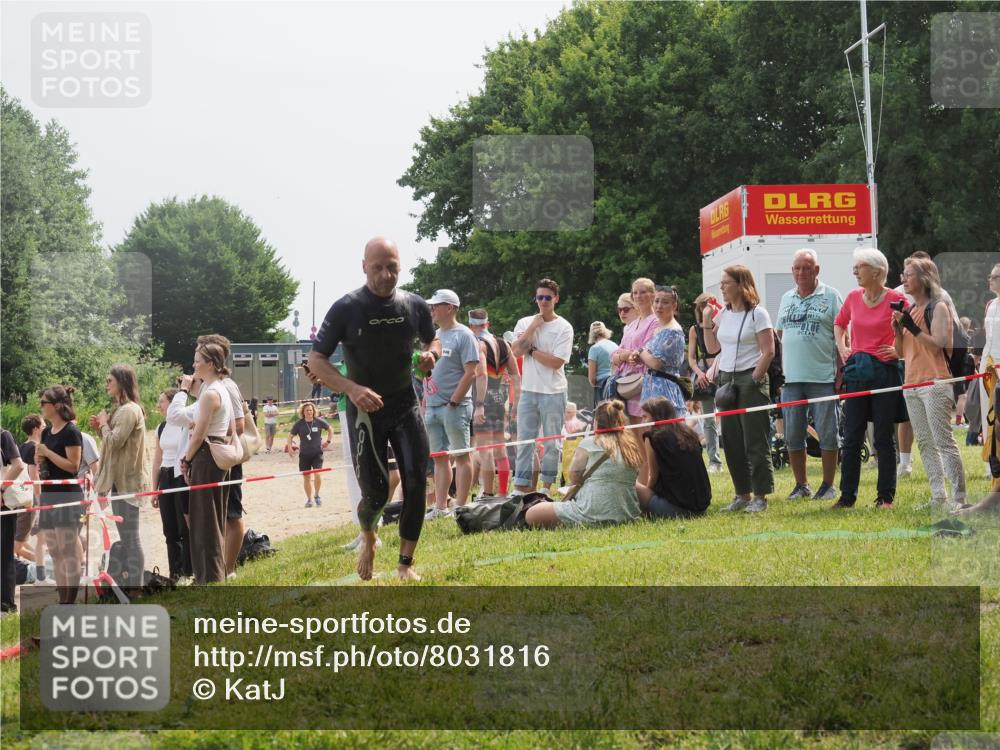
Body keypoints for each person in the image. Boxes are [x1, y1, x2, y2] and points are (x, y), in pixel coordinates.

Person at [307, 236, 437, 581]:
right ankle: (369, 535)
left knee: (415, 481)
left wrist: (430, 355)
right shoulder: (347, 308)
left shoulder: (414, 305)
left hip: (404, 404)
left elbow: (431, 338)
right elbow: (316, 360)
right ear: (364, 266)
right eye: (377, 267)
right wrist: (351, 388)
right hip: (365, 412)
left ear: (400, 266)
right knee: (375, 492)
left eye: (391, 267)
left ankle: (405, 564)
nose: (385, 275)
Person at [833, 247, 908, 509]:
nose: (855, 271)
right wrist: (842, 347)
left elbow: (911, 333)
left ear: (877, 272)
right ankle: (847, 497)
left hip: (885, 372)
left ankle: (885, 497)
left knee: (883, 437)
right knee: (852, 435)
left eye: (860, 266)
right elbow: (839, 323)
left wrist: (898, 351)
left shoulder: (897, 298)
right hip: (857, 371)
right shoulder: (853, 297)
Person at [893, 256, 966, 509]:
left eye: (908, 274)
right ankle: (938, 496)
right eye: (903, 274)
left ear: (924, 279)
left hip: (935, 382)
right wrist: (897, 328)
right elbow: (900, 353)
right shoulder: (911, 311)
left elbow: (937, 345)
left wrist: (912, 328)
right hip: (911, 383)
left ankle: (959, 498)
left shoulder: (939, 307)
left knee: (944, 441)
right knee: (924, 443)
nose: (903, 279)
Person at [703, 265, 775, 513]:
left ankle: (760, 496)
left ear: (741, 284)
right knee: (731, 440)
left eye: (726, 282)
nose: (721, 287)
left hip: (750, 379)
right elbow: (713, 349)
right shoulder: (724, 314)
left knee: (755, 440)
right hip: (727, 381)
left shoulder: (759, 314)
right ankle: (741, 494)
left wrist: (756, 376)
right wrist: (705, 322)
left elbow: (769, 350)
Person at [775, 249, 844, 501]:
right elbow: (781, 333)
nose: (801, 273)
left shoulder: (831, 296)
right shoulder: (786, 298)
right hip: (791, 379)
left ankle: (828, 485)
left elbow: (842, 335)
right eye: (796, 268)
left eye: (806, 268)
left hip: (823, 378)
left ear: (817, 270)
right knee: (792, 434)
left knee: (828, 432)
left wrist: (840, 370)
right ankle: (801, 485)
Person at [524, 400, 642, 528]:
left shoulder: (589, 442)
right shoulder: (631, 446)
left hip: (589, 511)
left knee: (532, 513)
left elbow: (573, 477)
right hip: (627, 514)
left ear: (596, 422)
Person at [422, 289, 485, 519]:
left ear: (450, 308)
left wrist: (454, 401)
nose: (432, 310)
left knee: (461, 455)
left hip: (455, 406)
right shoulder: (434, 335)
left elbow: (471, 372)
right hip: (432, 406)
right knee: (439, 457)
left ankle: (460, 506)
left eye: (436, 306)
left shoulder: (465, 335)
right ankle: (440, 507)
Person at [510, 278, 575, 495]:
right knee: (524, 442)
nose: (543, 301)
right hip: (528, 391)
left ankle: (547, 487)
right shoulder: (525, 322)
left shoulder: (564, 327)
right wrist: (533, 327)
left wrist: (532, 351)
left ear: (556, 299)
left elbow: (557, 361)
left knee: (551, 443)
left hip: (554, 393)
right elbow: (515, 351)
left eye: (548, 297)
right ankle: (520, 487)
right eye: (540, 297)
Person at [90, 365, 149, 591]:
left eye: (109, 381)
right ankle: (129, 583)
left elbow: (114, 442)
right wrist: (101, 428)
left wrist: (105, 424)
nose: (106, 385)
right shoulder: (122, 409)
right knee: (126, 537)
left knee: (131, 538)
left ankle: (136, 587)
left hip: (128, 482)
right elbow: (112, 442)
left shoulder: (128, 410)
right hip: (120, 482)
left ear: (121, 383)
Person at [178, 342, 233, 584]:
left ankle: (209, 579)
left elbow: (199, 434)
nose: (193, 365)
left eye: (197, 360)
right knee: (211, 519)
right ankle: (210, 576)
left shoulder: (211, 393)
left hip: (206, 457)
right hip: (213, 456)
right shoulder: (218, 389)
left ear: (210, 363)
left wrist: (186, 458)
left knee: (205, 522)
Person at [35, 386, 83, 604]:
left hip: (67, 497)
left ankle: (69, 603)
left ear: (55, 406)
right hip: (48, 495)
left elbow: (73, 466)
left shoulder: (71, 431)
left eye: (43, 402)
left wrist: (47, 453)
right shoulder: (46, 432)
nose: (40, 406)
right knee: (55, 553)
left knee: (68, 552)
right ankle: (62, 600)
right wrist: (40, 460)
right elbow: (46, 462)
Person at [468, 309, 520, 498]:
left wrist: (479, 404)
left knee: (484, 450)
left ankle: (488, 494)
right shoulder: (504, 344)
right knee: (500, 447)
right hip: (501, 398)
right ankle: (503, 492)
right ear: (487, 324)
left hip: (484, 398)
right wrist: (516, 404)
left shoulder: (478, 343)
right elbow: (516, 375)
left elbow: (481, 374)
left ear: (471, 325)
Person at [636, 396, 711, 518]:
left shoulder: (652, 437)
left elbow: (653, 477)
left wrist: (646, 496)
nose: (642, 422)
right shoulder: (688, 432)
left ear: (657, 417)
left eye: (645, 417)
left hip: (678, 509)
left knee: (633, 487)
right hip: (701, 507)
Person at [152, 389, 192, 582]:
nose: (159, 405)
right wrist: (154, 487)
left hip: (180, 476)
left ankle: (188, 571)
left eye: (162, 401)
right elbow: (156, 459)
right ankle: (175, 573)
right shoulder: (161, 427)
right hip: (165, 477)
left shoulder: (185, 424)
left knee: (184, 527)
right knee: (169, 529)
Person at [612, 279, 659, 422]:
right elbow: (614, 356)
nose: (638, 296)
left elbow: (645, 351)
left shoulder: (655, 321)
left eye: (643, 292)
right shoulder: (631, 326)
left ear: (652, 294)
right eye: (635, 293)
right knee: (632, 435)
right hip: (626, 386)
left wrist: (625, 355)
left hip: (644, 385)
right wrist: (625, 356)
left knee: (645, 433)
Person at [637, 286, 687, 415]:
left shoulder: (673, 331)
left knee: (666, 432)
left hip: (665, 390)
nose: (659, 306)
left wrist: (640, 351)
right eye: (656, 301)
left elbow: (656, 363)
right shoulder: (659, 329)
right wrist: (639, 357)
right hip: (651, 387)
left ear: (674, 306)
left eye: (665, 302)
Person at [688, 292, 722, 473]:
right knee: (708, 420)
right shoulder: (694, 329)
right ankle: (714, 461)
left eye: (709, 305)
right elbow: (691, 358)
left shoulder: (721, 324)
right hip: (704, 376)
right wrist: (700, 373)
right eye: (702, 305)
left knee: (730, 416)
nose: (706, 309)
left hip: (723, 372)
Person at [287, 401, 334, 508]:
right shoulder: (299, 424)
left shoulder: (318, 421)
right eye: (307, 410)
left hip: (317, 453)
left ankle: (317, 495)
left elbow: (330, 429)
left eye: (311, 410)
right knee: (306, 478)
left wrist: (328, 442)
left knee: (317, 474)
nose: (309, 412)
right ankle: (309, 499)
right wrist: (290, 448)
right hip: (304, 454)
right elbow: (290, 436)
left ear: (314, 411)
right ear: (303, 412)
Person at [1, 427, 27, 612]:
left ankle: (6, 603)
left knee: (4, 553)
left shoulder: (4, 435)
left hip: (5, 503)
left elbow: (18, 465)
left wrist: (1, 489)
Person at [14, 415, 43, 575]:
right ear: (36, 428)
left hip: (20, 495)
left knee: (22, 538)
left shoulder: (21, 447)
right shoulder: (35, 447)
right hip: (30, 497)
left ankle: (43, 564)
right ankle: (44, 566)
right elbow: (34, 475)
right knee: (18, 542)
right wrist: (39, 499)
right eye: (43, 425)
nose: (45, 427)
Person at [981, 264, 1000, 477]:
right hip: (988, 363)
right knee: (989, 411)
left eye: (994, 276)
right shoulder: (990, 304)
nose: (990, 280)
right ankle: (990, 461)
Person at [587, 321, 617, 409]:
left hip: (602, 386)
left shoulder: (594, 349)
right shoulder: (615, 345)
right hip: (616, 383)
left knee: (603, 416)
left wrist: (593, 384)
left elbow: (592, 378)